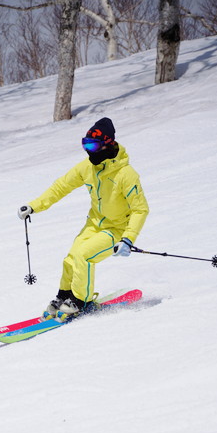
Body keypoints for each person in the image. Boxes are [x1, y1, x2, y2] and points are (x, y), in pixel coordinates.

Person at [17, 117, 149, 319]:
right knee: (71, 258)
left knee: (84, 256)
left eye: (93, 145)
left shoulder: (126, 174)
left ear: (108, 143)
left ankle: (81, 301)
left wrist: (128, 239)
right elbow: (62, 186)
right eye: (85, 144)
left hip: (118, 230)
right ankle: (64, 296)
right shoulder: (88, 167)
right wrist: (34, 206)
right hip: (94, 224)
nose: (89, 150)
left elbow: (140, 209)